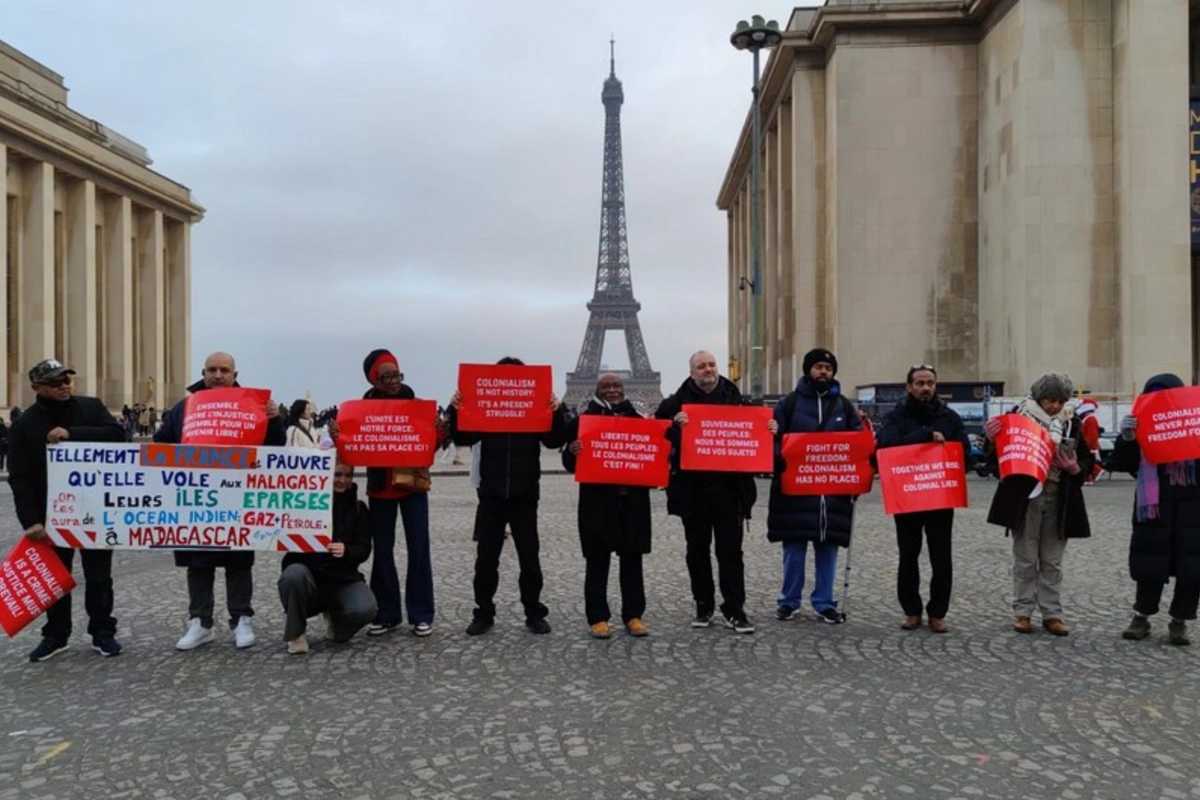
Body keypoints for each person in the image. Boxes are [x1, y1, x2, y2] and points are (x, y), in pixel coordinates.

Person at [156, 351, 285, 650]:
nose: (217, 375)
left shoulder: (255, 406)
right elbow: (161, 444)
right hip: (194, 498)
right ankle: (200, 622)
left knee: (238, 561)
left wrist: (275, 420)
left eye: (224, 370)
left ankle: (241, 619)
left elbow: (275, 448)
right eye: (212, 370)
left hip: (238, 497)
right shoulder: (184, 407)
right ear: (203, 374)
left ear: (234, 375)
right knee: (198, 563)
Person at [8, 358, 126, 661]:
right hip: (51, 517)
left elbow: (116, 436)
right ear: (37, 387)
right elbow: (19, 476)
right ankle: (56, 635)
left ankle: (103, 632)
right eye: (55, 382)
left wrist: (72, 433)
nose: (64, 386)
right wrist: (30, 521)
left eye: (66, 380)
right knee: (55, 577)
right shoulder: (25, 424)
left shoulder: (92, 407)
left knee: (99, 577)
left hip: (94, 511)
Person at [446, 356, 569, 636]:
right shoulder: (485, 412)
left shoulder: (536, 410)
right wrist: (457, 409)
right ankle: (484, 612)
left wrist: (555, 410)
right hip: (491, 494)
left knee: (529, 558)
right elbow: (463, 437)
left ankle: (533, 610)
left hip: (525, 494)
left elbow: (553, 440)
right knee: (486, 559)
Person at [655, 350, 767, 634]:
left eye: (712, 364)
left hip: (730, 491)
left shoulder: (738, 401)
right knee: (697, 551)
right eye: (701, 366)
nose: (708, 369)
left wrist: (769, 429)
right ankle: (703, 604)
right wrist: (673, 427)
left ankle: (734, 608)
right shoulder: (673, 405)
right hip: (693, 492)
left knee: (730, 552)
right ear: (692, 373)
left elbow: (756, 436)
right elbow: (657, 436)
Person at [328, 349, 439, 638]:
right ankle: (387, 613)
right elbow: (350, 449)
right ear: (374, 380)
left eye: (397, 374)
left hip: (412, 487)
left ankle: (421, 613)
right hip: (380, 489)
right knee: (383, 554)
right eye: (386, 376)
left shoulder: (415, 406)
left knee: (419, 550)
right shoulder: (361, 412)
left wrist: (440, 432)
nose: (393, 380)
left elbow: (429, 445)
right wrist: (337, 435)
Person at [984, 372, 1093, 636]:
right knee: (1025, 559)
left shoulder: (1071, 424)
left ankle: (1052, 614)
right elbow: (995, 462)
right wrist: (991, 440)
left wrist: (1075, 467)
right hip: (1025, 499)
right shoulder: (1018, 417)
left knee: (1052, 561)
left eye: (1059, 400)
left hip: (1060, 498)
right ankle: (1022, 612)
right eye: (1049, 399)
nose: (1054, 405)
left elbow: (1087, 461)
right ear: (1038, 397)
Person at [767, 348, 860, 626]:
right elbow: (773, 442)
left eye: (828, 368)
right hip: (795, 491)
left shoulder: (844, 406)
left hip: (831, 494)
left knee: (828, 549)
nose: (823, 372)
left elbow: (857, 446)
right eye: (818, 367)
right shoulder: (789, 404)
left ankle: (824, 601)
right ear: (809, 369)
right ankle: (788, 600)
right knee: (794, 550)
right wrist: (783, 459)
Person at [875, 364, 970, 632]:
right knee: (908, 556)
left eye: (930, 383)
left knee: (942, 558)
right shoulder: (897, 416)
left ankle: (937, 612)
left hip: (940, 497)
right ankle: (911, 611)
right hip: (907, 500)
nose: (925, 388)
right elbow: (885, 449)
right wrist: (924, 436)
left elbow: (964, 452)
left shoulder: (949, 417)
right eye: (920, 383)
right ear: (909, 387)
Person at [562, 373, 652, 638]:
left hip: (631, 502)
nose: (612, 390)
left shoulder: (639, 420)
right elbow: (569, 463)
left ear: (624, 389)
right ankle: (598, 617)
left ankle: (633, 615)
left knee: (632, 559)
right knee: (597, 559)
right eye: (606, 386)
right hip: (598, 503)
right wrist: (572, 451)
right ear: (597, 390)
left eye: (616, 386)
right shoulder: (582, 422)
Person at [1113, 374, 1200, 645]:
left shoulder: (1192, 425)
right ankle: (1142, 616)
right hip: (1154, 507)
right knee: (1149, 562)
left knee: (1192, 567)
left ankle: (1180, 621)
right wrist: (1127, 437)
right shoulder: (1143, 426)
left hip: (1192, 507)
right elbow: (1123, 464)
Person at [277, 461, 378, 653]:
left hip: (343, 579)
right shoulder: (304, 503)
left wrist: (347, 550)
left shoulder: (359, 508)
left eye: (348, 476)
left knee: (367, 608)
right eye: (337, 475)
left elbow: (364, 549)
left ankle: (337, 621)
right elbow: (288, 546)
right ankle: (296, 634)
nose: (343, 480)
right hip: (310, 575)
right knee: (293, 575)